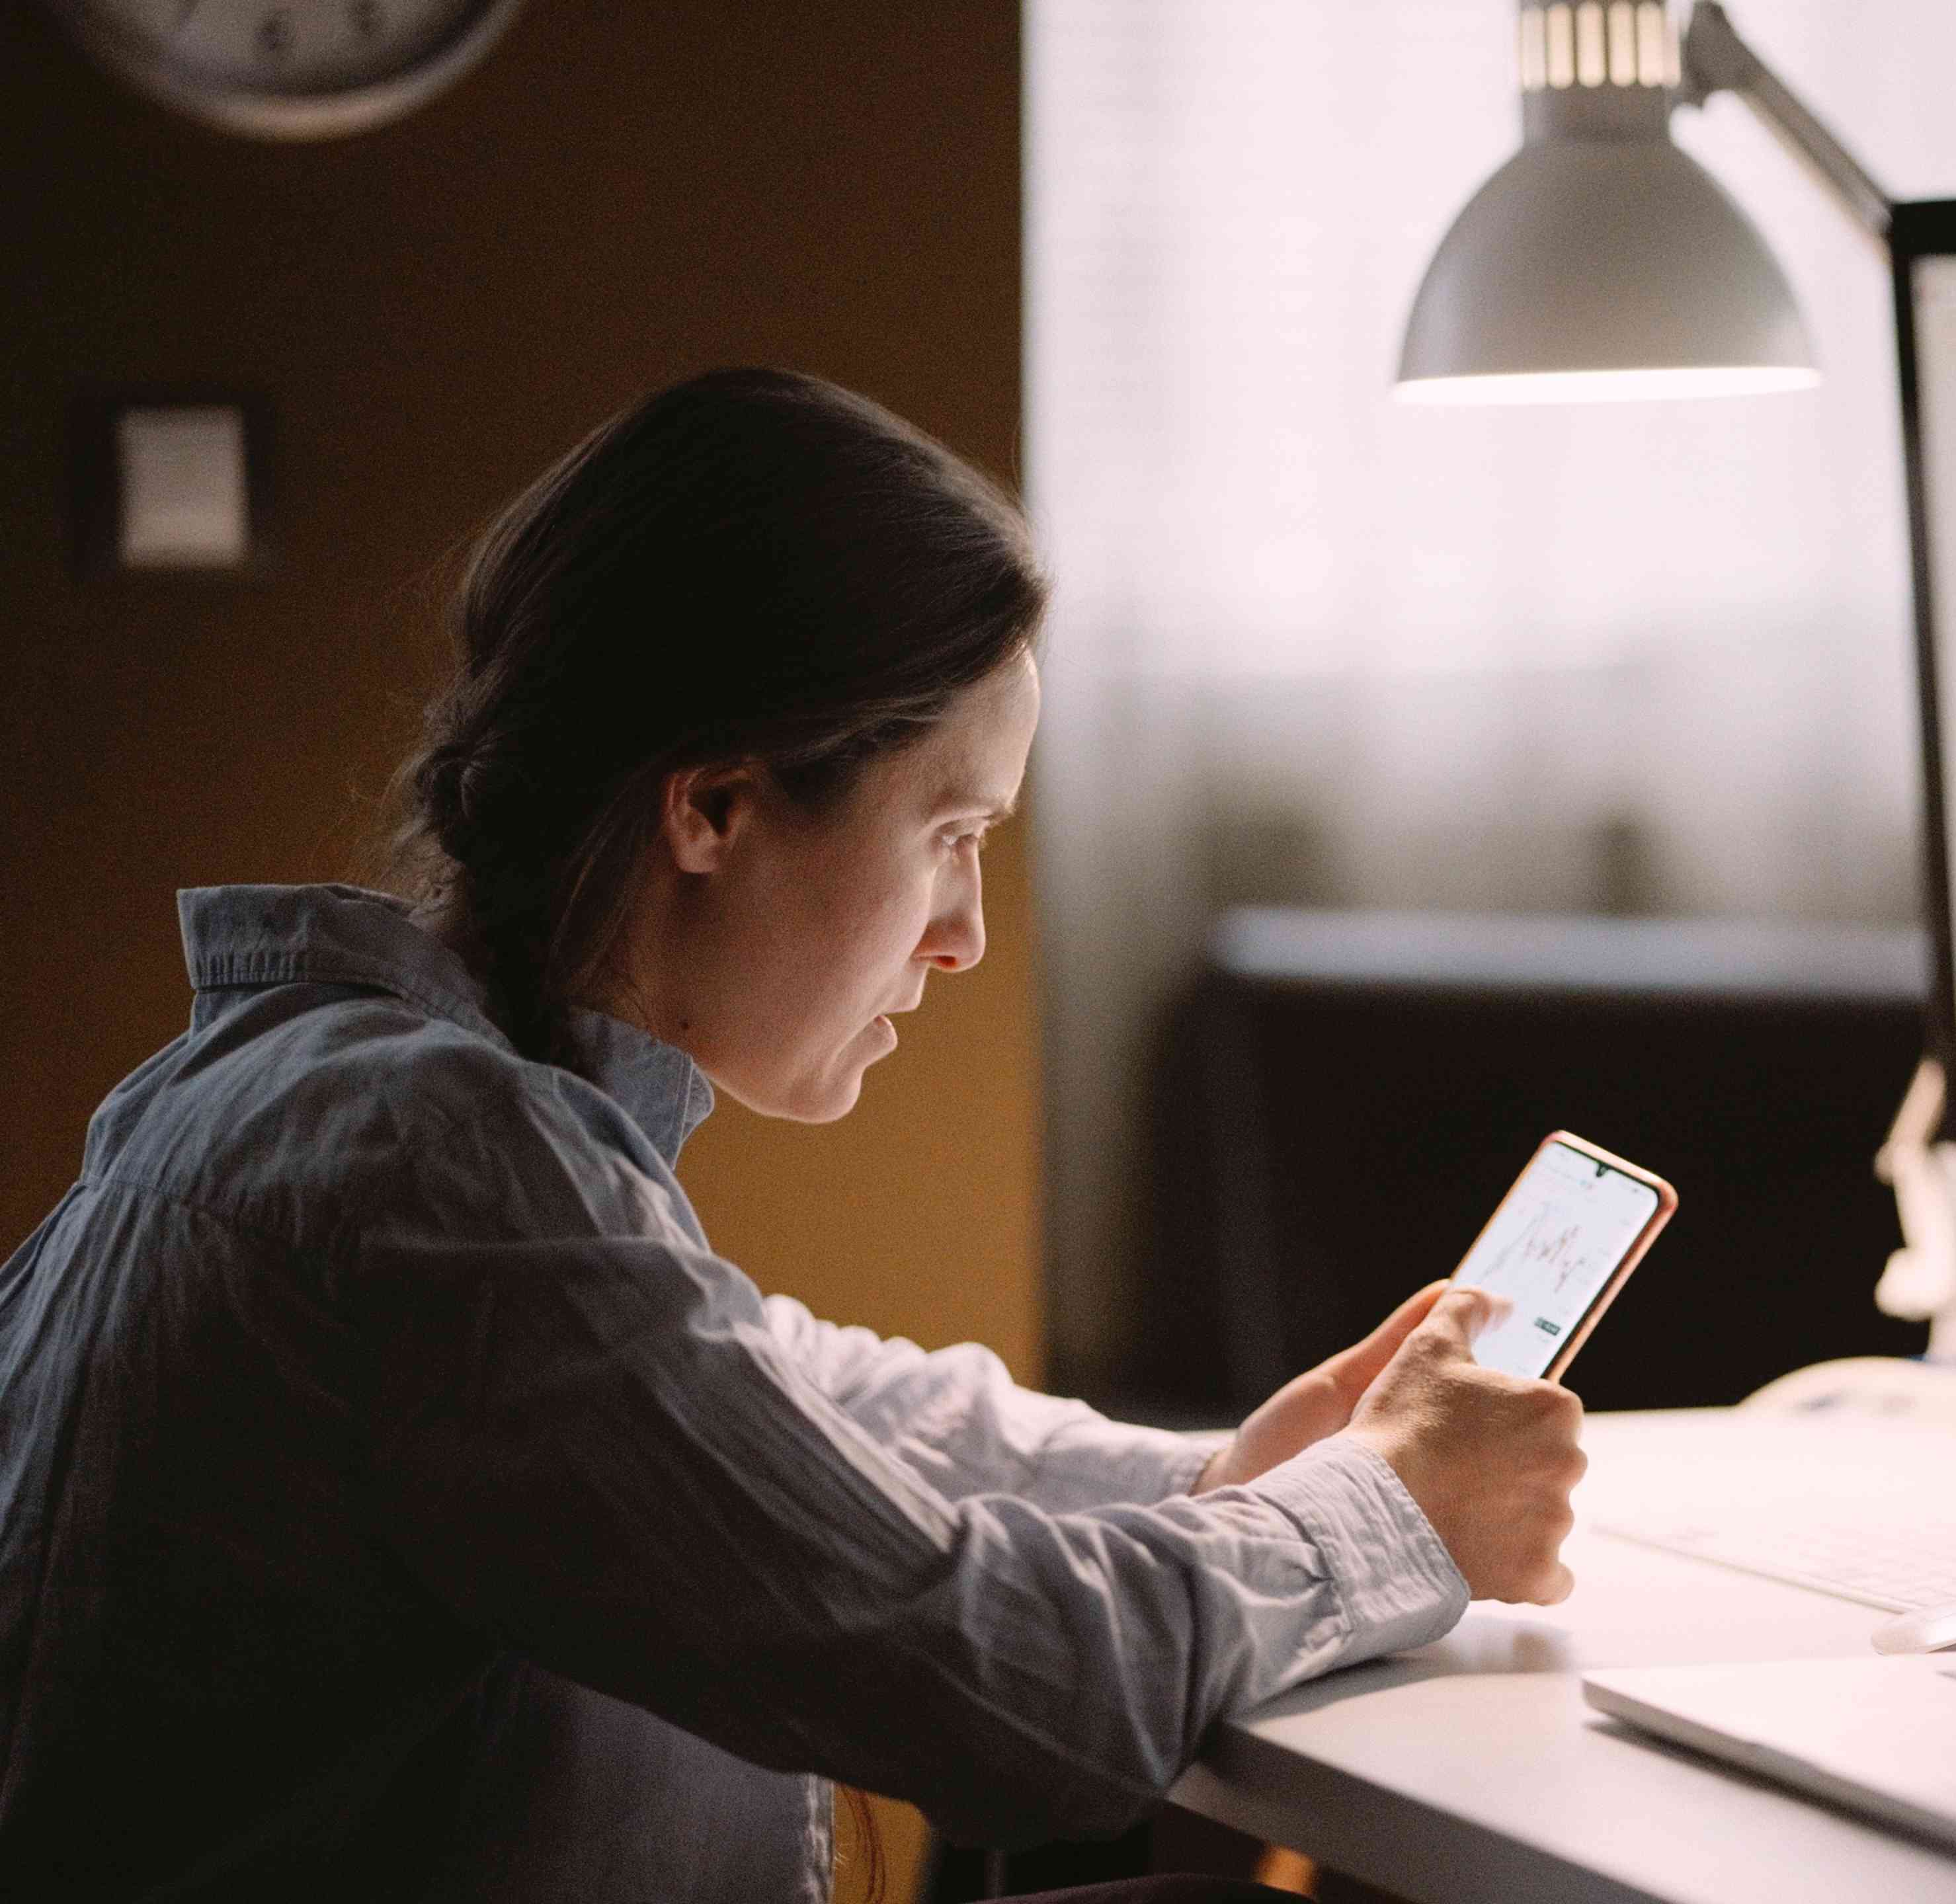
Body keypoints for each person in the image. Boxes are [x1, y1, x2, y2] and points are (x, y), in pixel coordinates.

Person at [0, 368, 1586, 1902]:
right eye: (948, 833)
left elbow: (779, 1394)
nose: (963, 933)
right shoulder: (437, 1171)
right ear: (714, 809)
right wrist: (1382, 1515)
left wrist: (1230, 1482)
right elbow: (998, 1692)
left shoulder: (323, 1093)